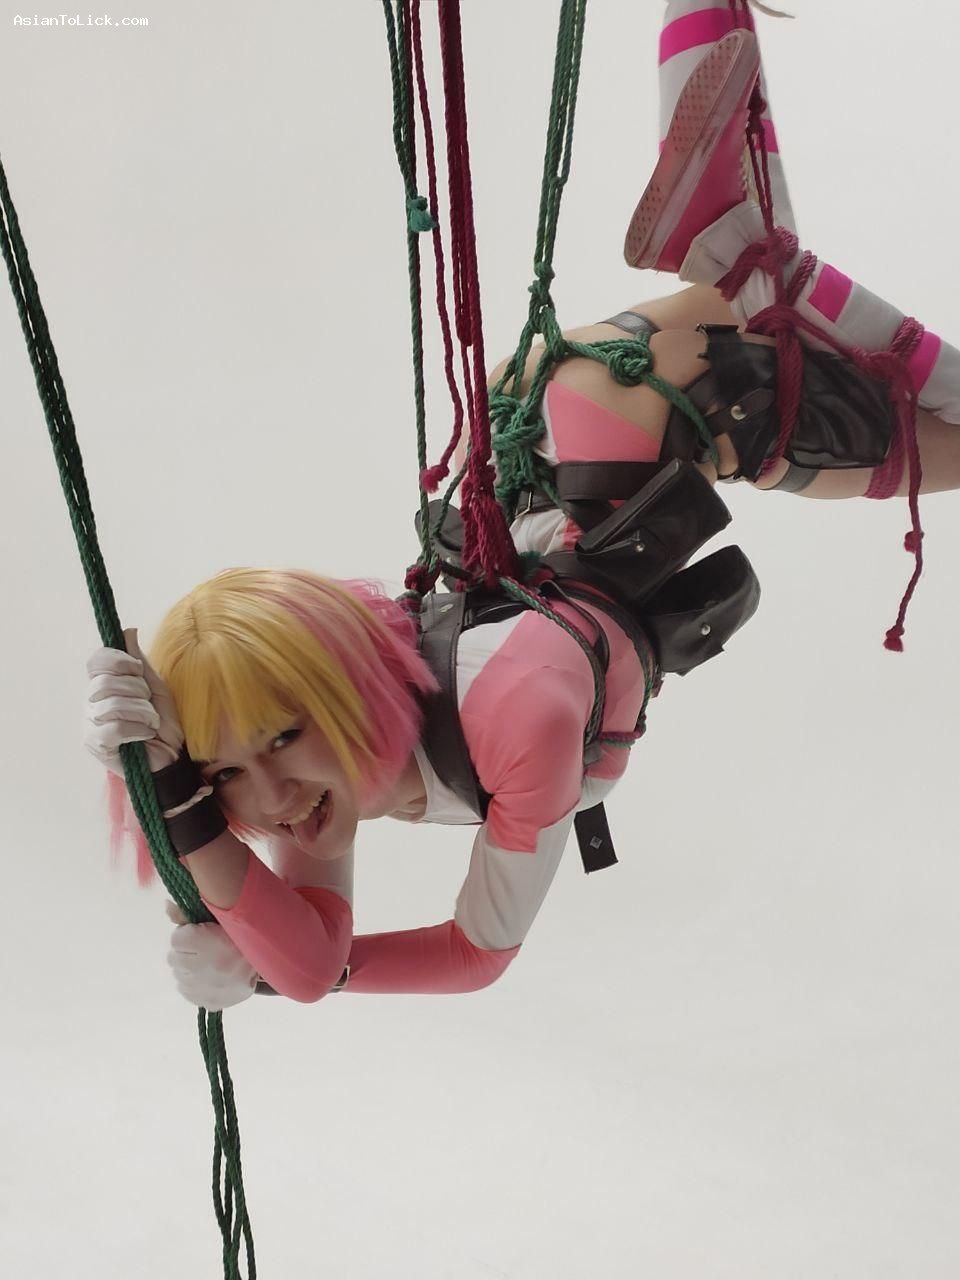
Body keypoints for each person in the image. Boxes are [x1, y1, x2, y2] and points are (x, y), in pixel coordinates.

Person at [84, 5, 960, 1010]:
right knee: (752, 287)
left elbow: (465, 955)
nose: (272, 800)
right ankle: (745, 242)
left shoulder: (515, 716)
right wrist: (182, 810)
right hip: (550, 442)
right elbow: (313, 959)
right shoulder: (325, 777)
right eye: (225, 774)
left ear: (336, 689)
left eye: (282, 738)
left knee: (814, 333)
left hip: (613, 452)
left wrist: (209, 860)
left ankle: (752, 255)